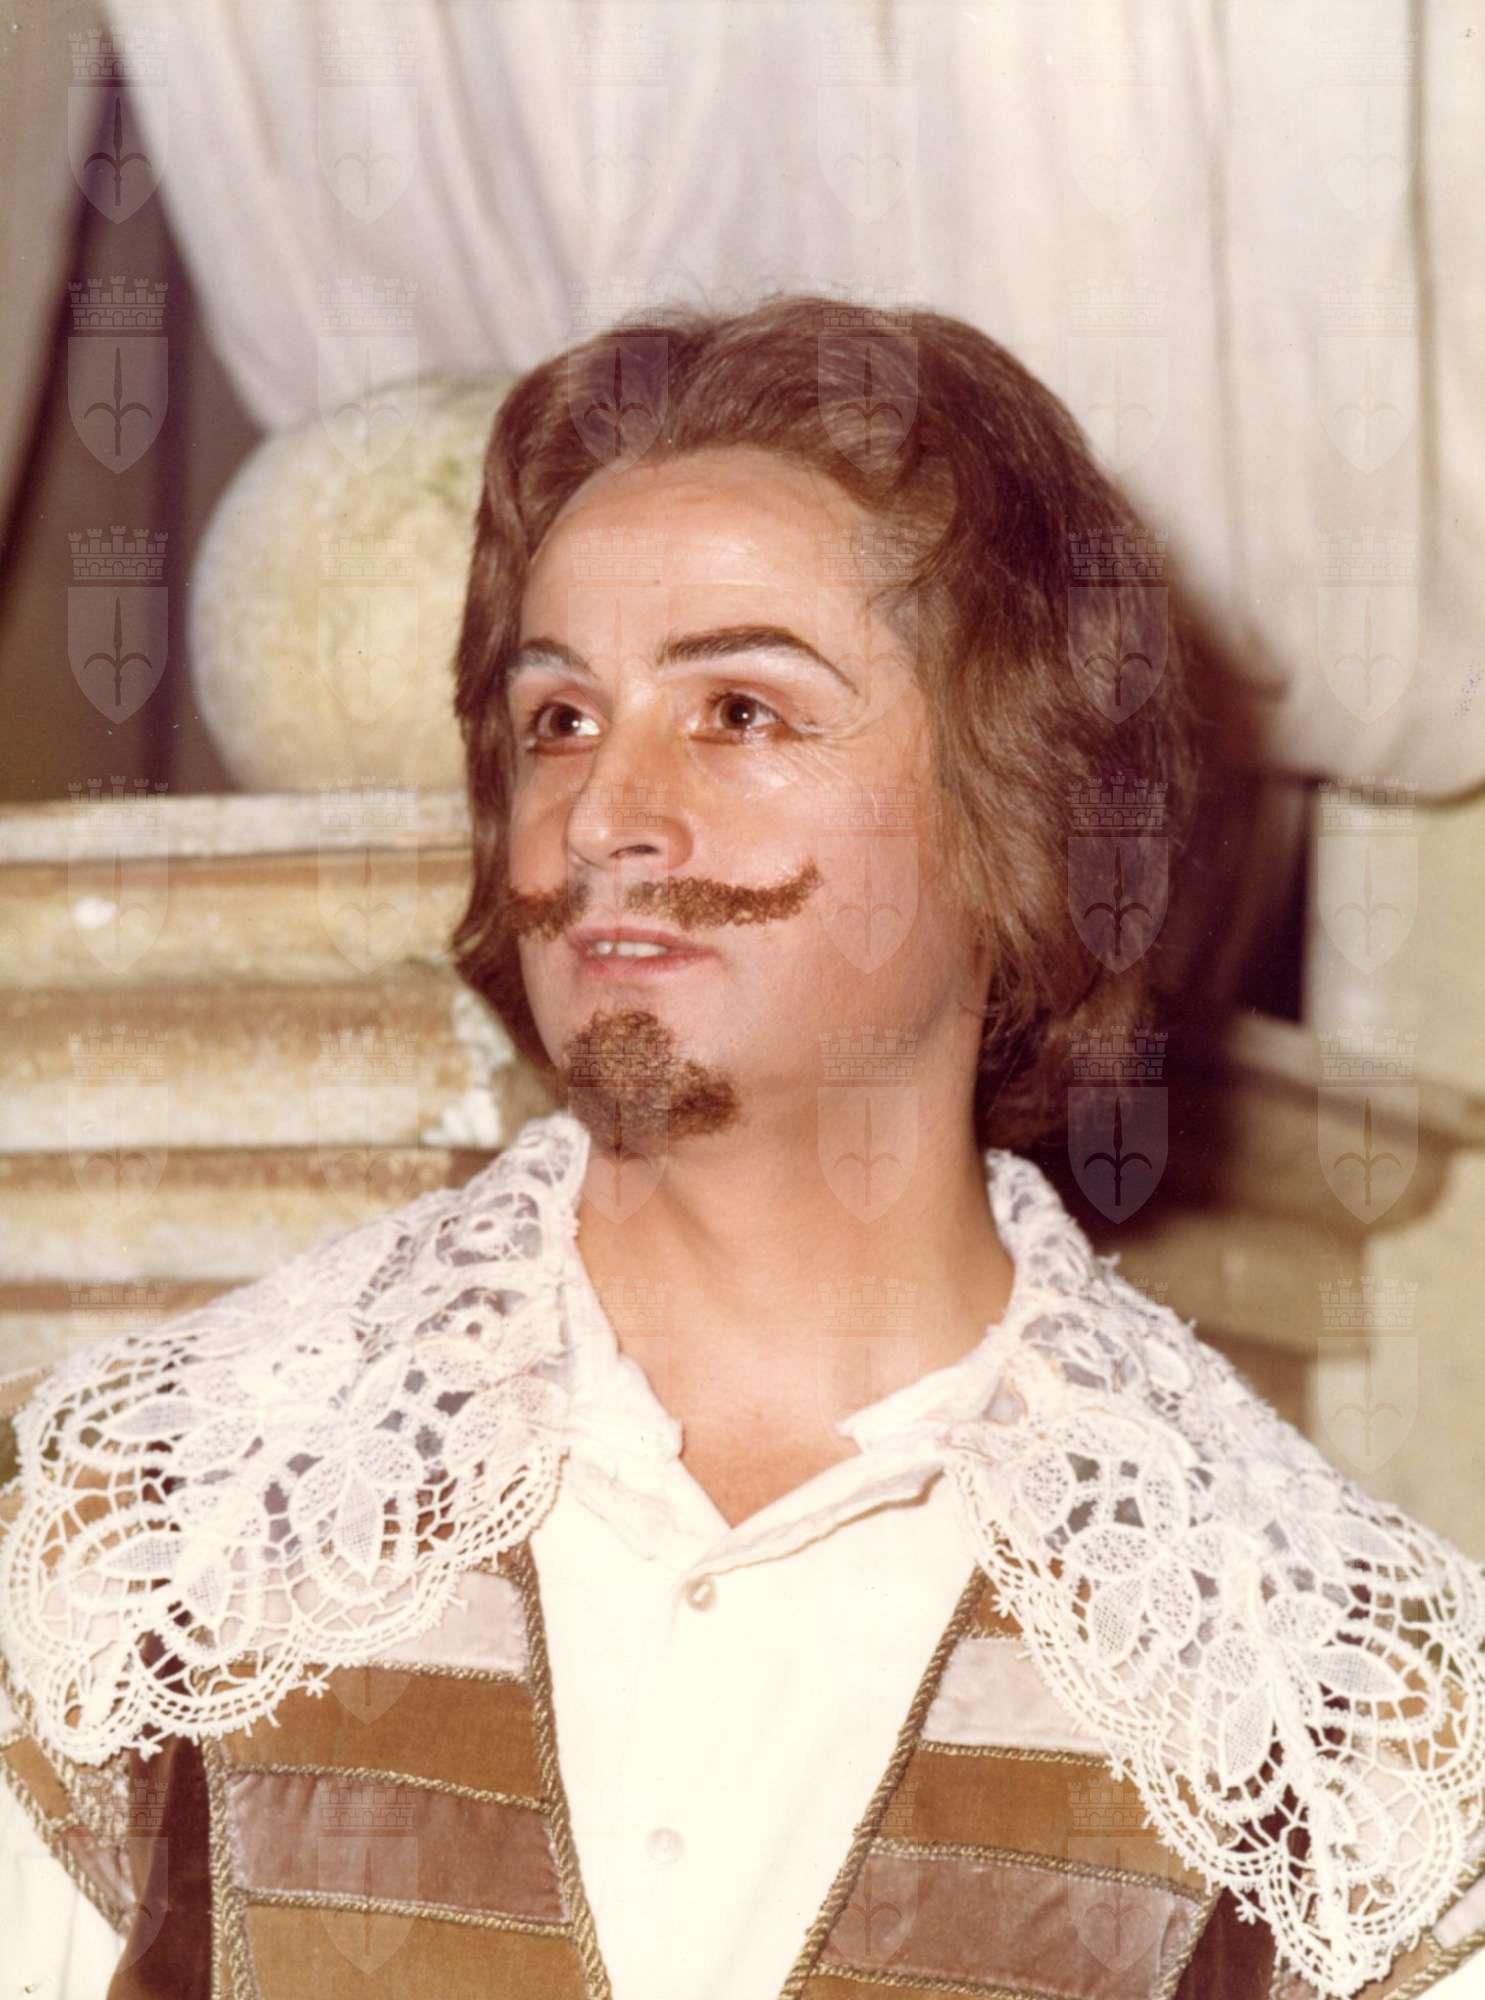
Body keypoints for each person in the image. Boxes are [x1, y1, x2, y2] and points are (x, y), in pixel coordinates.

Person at [1, 295, 1482, 2000]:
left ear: (1024, 811)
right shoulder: (150, 1535)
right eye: (560, 719)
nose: (603, 816)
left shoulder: (1337, 1720)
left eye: (739, 712)